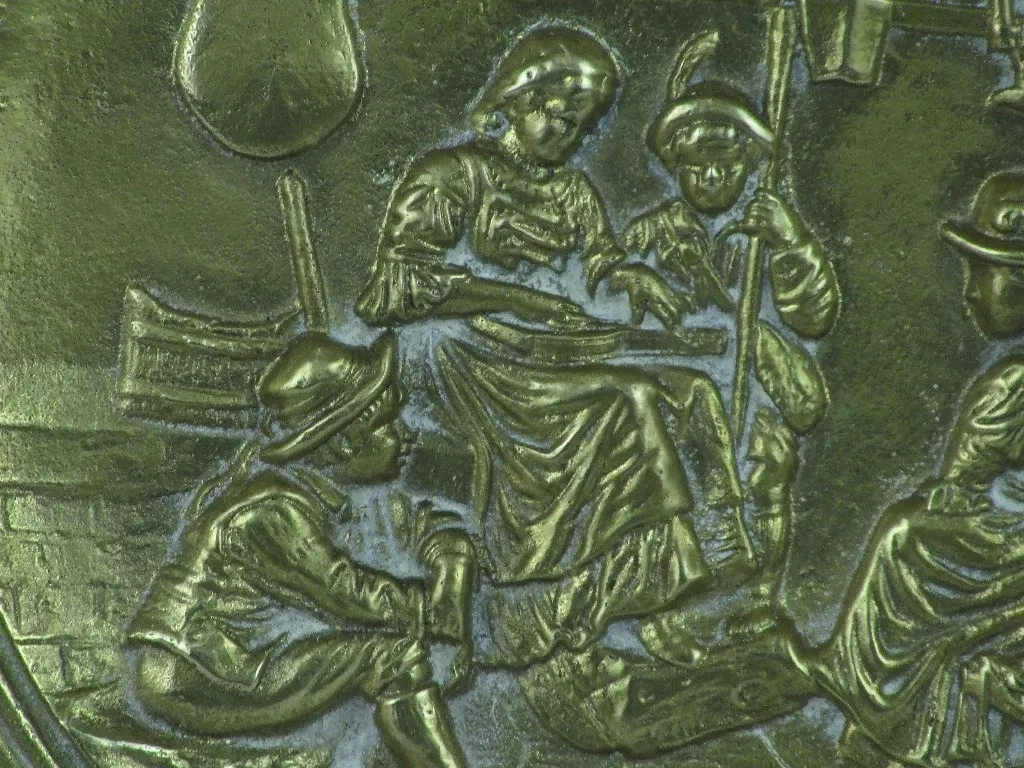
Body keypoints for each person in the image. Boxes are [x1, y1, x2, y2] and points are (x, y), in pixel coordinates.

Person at [356, 25, 754, 669]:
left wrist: (627, 276)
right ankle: (601, 596)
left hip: (549, 347)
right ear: (517, 98)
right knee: (630, 402)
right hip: (464, 357)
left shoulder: (572, 191)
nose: (568, 136)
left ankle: (702, 564)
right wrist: (516, 301)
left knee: (695, 393)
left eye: (580, 126)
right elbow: (394, 285)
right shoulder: (452, 175)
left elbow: (597, 264)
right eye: (558, 117)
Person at [124, 332, 472, 768]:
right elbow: (343, 592)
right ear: (343, 441)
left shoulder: (321, 497)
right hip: (196, 676)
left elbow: (418, 527)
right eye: (387, 425)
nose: (406, 434)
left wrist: (451, 562)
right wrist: (430, 610)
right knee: (391, 655)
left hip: (220, 664)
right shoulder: (273, 511)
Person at [793, 171, 1024, 767]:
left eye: (985, 274)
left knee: (905, 540)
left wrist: (955, 495)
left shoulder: (1013, 384)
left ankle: (867, 687)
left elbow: (966, 480)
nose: (970, 293)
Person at [627, 32, 839, 345]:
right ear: (675, 167)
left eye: (727, 167)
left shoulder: (766, 231)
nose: (712, 177)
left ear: (750, 163)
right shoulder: (652, 234)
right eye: (696, 166)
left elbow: (814, 321)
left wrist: (791, 244)